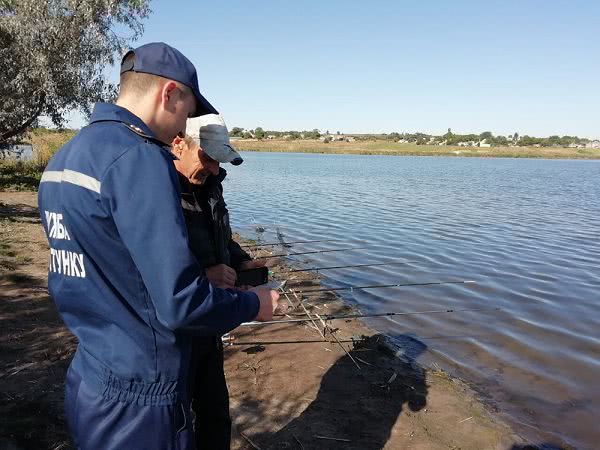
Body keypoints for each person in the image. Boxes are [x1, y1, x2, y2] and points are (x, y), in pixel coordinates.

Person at [37, 42, 279, 450]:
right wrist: (256, 304)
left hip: (93, 374)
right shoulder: (139, 158)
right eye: (185, 113)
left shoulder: (65, 158)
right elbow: (179, 302)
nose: (179, 129)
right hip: (142, 391)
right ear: (168, 94)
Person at [170, 114, 266, 449]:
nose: (213, 168)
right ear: (178, 142)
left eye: (219, 160)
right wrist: (203, 275)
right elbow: (149, 264)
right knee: (175, 419)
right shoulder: (158, 191)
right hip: (175, 330)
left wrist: (240, 261)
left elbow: (220, 237)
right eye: (208, 157)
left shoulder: (210, 186)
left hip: (209, 322)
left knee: (215, 412)